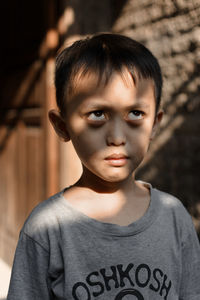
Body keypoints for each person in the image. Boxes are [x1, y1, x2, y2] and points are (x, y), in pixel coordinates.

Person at [7, 33, 200, 300]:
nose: (117, 138)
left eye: (135, 114)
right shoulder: (46, 228)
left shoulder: (175, 217)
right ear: (62, 126)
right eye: (98, 114)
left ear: (155, 123)